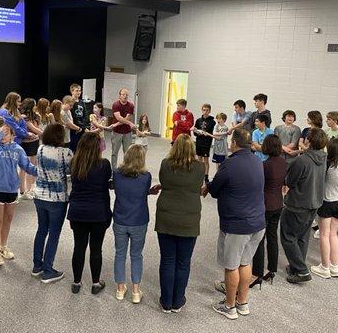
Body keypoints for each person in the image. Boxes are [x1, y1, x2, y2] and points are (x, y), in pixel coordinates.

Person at [204, 129, 265, 320]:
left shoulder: (229, 164)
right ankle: (242, 302)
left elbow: (214, 190)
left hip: (238, 225)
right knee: (245, 263)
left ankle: (229, 306)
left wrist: (206, 187)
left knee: (231, 266)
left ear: (235, 143)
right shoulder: (257, 160)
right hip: (258, 223)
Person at [154, 134, 205, 313]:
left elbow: (163, 181)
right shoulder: (200, 167)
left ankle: (166, 301)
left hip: (166, 216)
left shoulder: (165, 164)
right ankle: (178, 301)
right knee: (183, 262)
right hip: (189, 218)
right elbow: (199, 186)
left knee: (167, 260)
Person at [0, 125, 38, 267]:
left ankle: (4, 246)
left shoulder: (18, 149)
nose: (2, 136)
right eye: (0, 133)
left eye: (6, 134)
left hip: (12, 189)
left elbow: (27, 166)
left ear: (13, 136)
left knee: (8, 219)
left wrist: (42, 171)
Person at [280, 128, 328, 283]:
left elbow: (290, 181)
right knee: (302, 236)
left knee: (288, 236)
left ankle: (301, 270)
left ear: (309, 141)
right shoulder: (324, 158)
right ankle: (296, 266)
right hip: (314, 203)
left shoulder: (302, 160)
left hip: (298, 203)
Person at [68, 133, 112, 295]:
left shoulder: (74, 163)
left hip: (77, 211)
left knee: (78, 246)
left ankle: (76, 282)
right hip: (98, 212)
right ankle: (95, 283)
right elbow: (106, 182)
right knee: (96, 249)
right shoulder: (104, 165)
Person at [112, 145, 154, 304]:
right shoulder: (146, 177)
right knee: (136, 255)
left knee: (120, 254)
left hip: (120, 220)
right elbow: (141, 191)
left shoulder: (116, 174)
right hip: (139, 220)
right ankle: (136, 291)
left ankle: (120, 289)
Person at [32, 123, 74, 283]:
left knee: (41, 230)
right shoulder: (66, 153)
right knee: (54, 233)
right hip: (57, 198)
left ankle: (37, 266)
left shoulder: (40, 149)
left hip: (39, 194)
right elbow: (72, 170)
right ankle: (48, 271)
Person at [310, 138, 338, 279]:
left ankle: (325, 267)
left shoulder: (328, 166)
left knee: (324, 235)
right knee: (333, 234)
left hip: (328, 202)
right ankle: (334, 266)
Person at [251, 134, 286, 286]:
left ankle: (257, 273)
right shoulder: (283, 162)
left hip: (265, 204)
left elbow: (257, 185)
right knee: (272, 236)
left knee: (259, 238)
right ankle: (271, 269)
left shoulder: (264, 165)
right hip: (278, 203)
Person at [20, 98, 43, 200]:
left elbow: (37, 128)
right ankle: (22, 190)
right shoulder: (23, 117)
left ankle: (31, 188)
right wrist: (47, 134)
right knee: (23, 167)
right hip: (25, 143)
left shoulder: (36, 115)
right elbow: (34, 129)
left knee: (33, 165)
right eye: (34, 105)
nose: (35, 106)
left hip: (34, 142)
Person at [111, 88, 135, 169]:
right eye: (123, 94)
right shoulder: (115, 105)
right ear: (119, 96)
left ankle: (127, 168)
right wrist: (130, 123)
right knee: (114, 152)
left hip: (127, 133)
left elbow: (127, 118)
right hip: (117, 132)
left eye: (127, 95)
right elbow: (119, 118)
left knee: (127, 152)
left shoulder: (131, 105)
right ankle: (113, 170)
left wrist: (117, 124)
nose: (125, 96)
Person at [193, 104, 216, 183]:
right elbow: (195, 132)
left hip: (206, 143)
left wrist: (205, 133)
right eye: (204, 110)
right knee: (199, 159)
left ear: (209, 111)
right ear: (202, 110)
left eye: (207, 110)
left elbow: (211, 132)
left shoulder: (212, 122)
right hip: (199, 142)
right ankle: (199, 174)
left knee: (205, 160)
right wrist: (196, 132)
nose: (205, 112)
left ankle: (206, 177)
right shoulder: (198, 120)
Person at [69, 83, 88, 152]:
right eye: (77, 90)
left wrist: (84, 126)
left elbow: (85, 114)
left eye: (80, 90)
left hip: (82, 128)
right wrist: (78, 126)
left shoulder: (81, 102)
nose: (79, 92)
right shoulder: (70, 102)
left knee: (81, 148)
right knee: (73, 147)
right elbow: (73, 116)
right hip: (74, 128)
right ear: (72, 91)